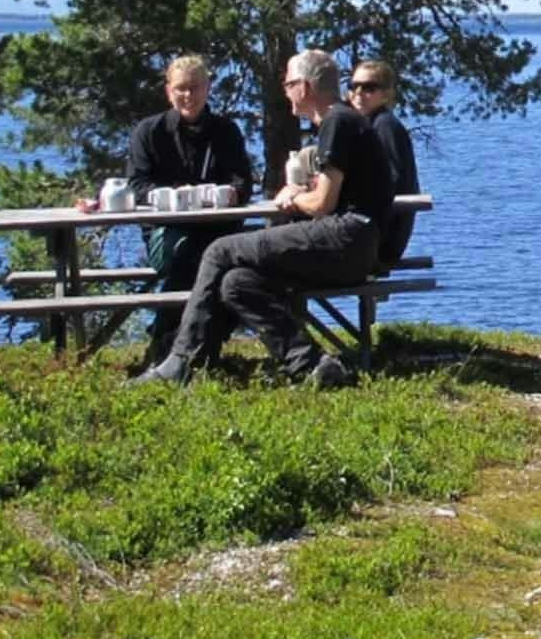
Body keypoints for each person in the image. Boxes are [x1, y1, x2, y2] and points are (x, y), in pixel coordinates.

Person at [131, 49, 391, 390]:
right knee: (237, 282)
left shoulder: (337, 121)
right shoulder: (340, 122)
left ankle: (181, 362)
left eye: (288, 83)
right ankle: (312, 365)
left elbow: (323, 204)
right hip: (352, 244)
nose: (284, 90)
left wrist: (294, 196)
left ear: (306, 87)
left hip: (346, 237)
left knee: (219, 251)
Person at [124, 54, 254, 365]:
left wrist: (223, 194)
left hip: (217, 230)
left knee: (227, 264)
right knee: (201, 257)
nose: (188, 95)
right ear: (168, 91)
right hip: (166, 233)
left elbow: (243, 182)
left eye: (195, 88)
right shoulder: (149, 132)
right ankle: (188, 344)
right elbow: (137, 184)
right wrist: (170, 196)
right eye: (181, 88)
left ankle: (171, 345)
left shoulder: (226, 131)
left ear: (208, 88)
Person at [348, 58, 418, 266]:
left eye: (369, 87)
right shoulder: (370, 125)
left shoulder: (385, 126)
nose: (359, 93)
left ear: (386, 93)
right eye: (353, 86)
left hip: (384, 240)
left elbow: (392, 180)